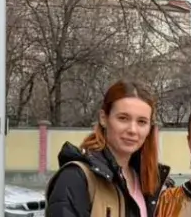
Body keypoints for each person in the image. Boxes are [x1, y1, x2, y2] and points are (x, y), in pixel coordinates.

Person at [47, 81, 170, 217]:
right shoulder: (76, 178)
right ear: (104, 118)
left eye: (142, 122)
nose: (133, 130)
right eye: (123, 118)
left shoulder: (154, 183)